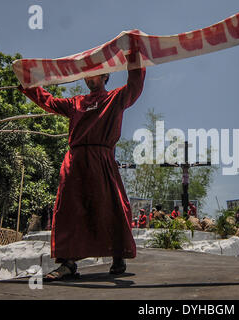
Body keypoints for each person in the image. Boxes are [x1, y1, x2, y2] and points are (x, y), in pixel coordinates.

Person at [17, 49, 146, 281]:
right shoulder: (75, 103)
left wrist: (134, 56)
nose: (89, 78)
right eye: (86, 75)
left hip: (102, 159)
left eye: (94, 74)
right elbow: (49, 101)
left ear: (106, 76)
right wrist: (28, 84)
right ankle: (67, 264)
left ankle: (118, 255)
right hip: (75, 162)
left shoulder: (115, 98)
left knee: (111, 206)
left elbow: (135, 86)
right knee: (68, 211)